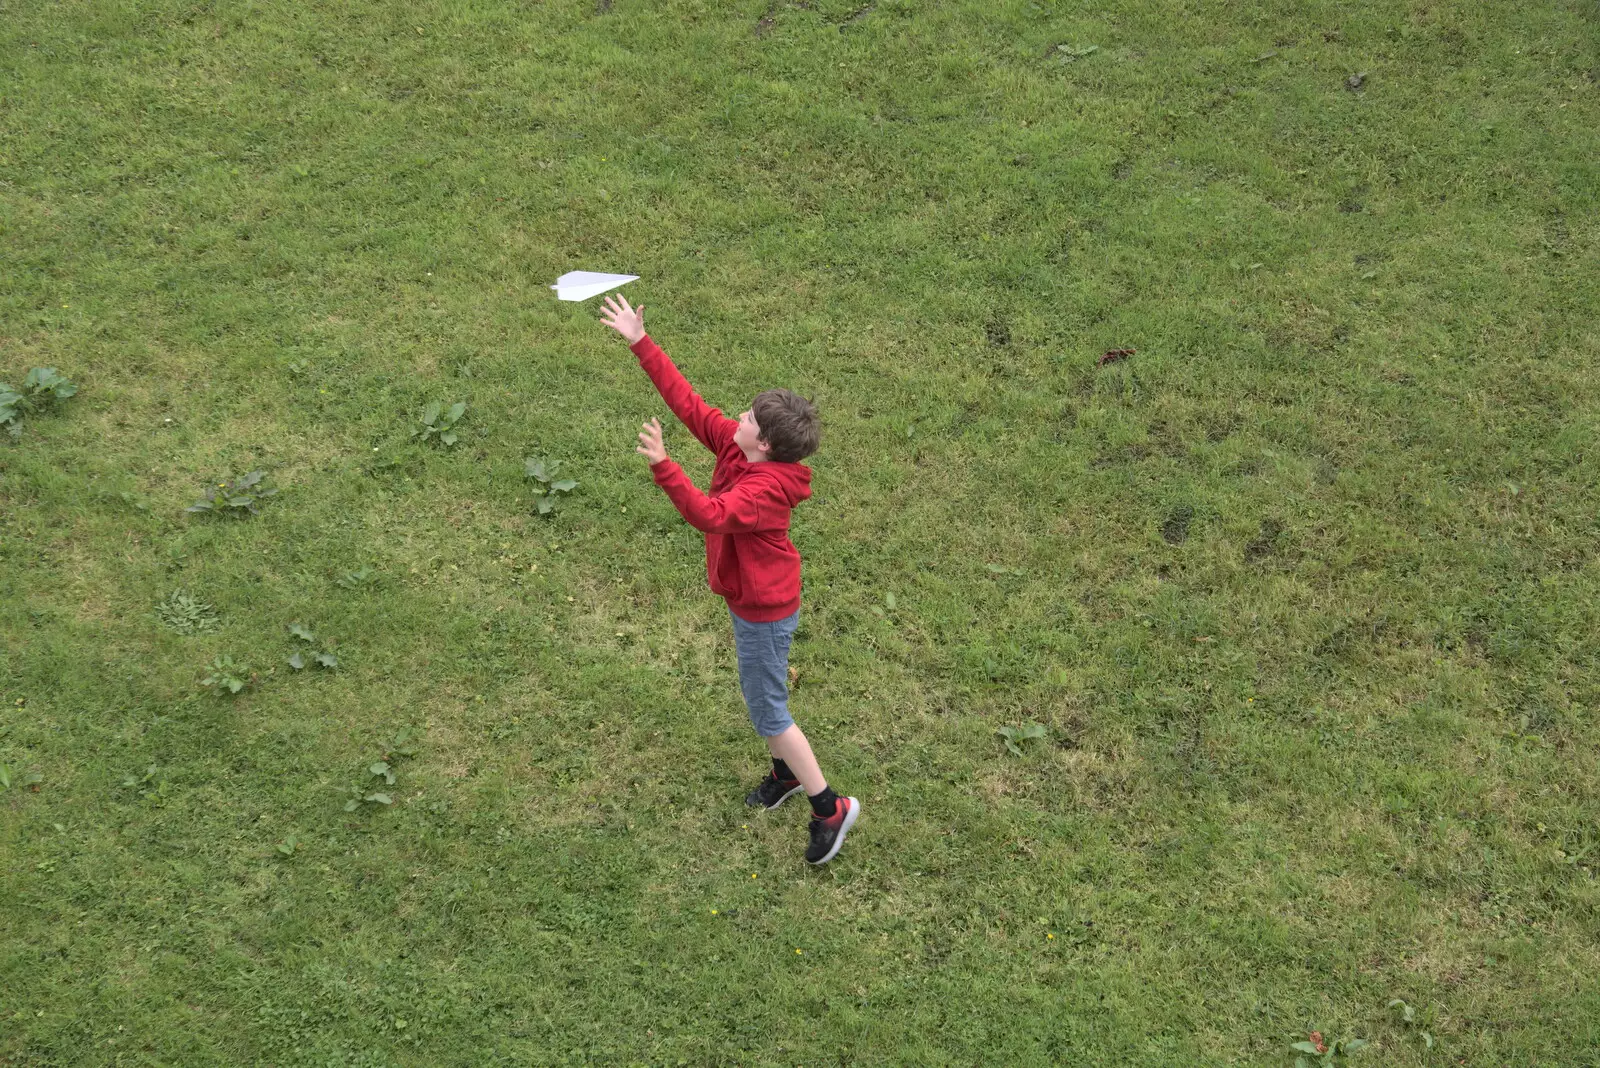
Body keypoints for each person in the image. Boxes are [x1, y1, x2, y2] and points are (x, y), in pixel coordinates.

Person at [600, 294, 860, 865]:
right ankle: (784, 777)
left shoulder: (763, 492)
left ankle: (829, 808)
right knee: (760, 698)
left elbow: (710, 515)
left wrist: (666, 467)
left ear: (764, 443)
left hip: (764, 610)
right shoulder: (741, 448)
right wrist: (640, 341)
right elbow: (690, 405)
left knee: (770, 711)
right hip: (750, 601)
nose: (735, 419)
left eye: (746, 418)